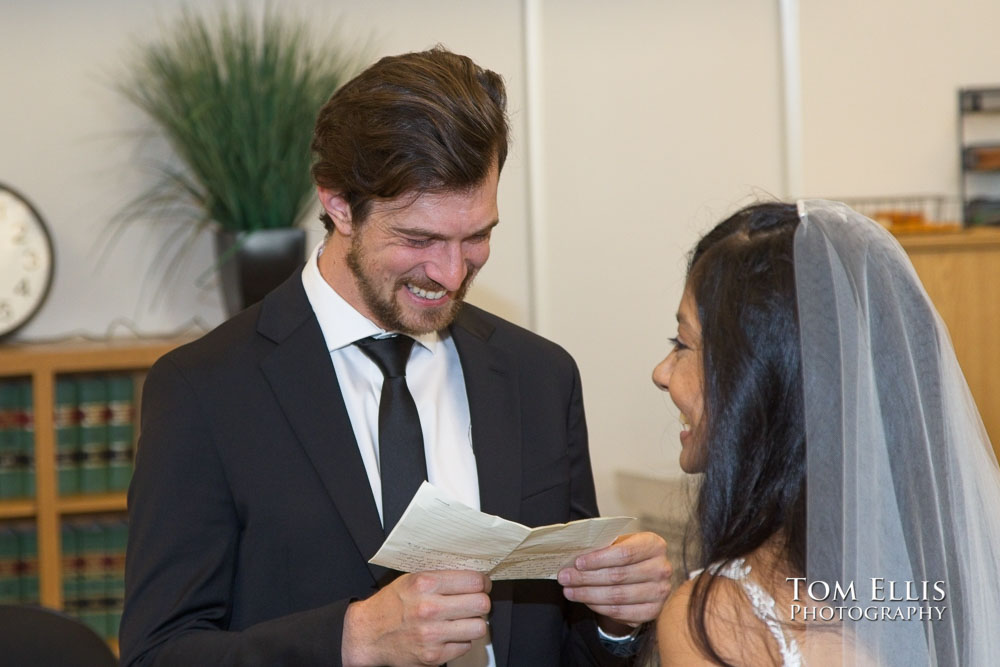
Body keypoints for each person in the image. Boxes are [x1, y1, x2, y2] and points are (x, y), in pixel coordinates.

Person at [119, 47, 671, 667]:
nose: (451, 272)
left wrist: (616, 621)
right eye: (419, 239)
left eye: (478, 236)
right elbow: (157, 655)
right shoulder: (205, 390)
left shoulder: (539, 377)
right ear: (337, 204)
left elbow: (566, 643)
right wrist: (351, 641)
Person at [652, 200, 1000, 666]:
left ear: (761, 382)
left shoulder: (722, 623)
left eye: (684, 344)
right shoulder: (957, 582)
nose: (661, 372)